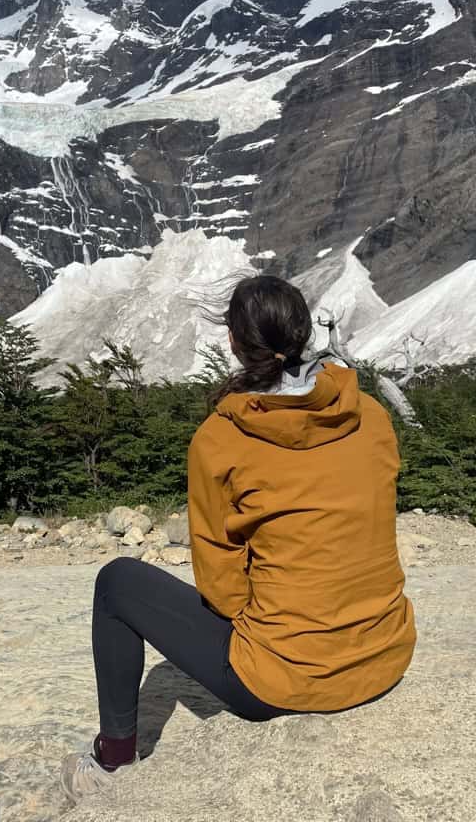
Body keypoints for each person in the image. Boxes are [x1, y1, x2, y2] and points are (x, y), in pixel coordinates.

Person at [60, 275, 416, 803]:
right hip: (387, 658)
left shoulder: (222, 438)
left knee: (116, 582)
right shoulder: (371, 415)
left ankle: (113, 761)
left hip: (282, 683)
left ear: (233, 341)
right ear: (304, 332)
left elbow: (222, 588)